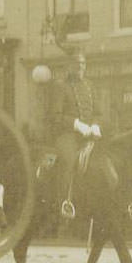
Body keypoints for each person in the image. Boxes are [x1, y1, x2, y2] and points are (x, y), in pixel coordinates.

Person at [52, 51, 102, 218]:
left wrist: (95, 125)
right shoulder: (61, 86)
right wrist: (77, 125)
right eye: (76, 64)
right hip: (68, 134)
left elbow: (98, 112)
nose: (80, 67)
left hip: (89, 134)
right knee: (68, 160)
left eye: (82, 64)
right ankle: (65, 203)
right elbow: (56, 116)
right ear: (69, 66)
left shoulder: (90, 86)